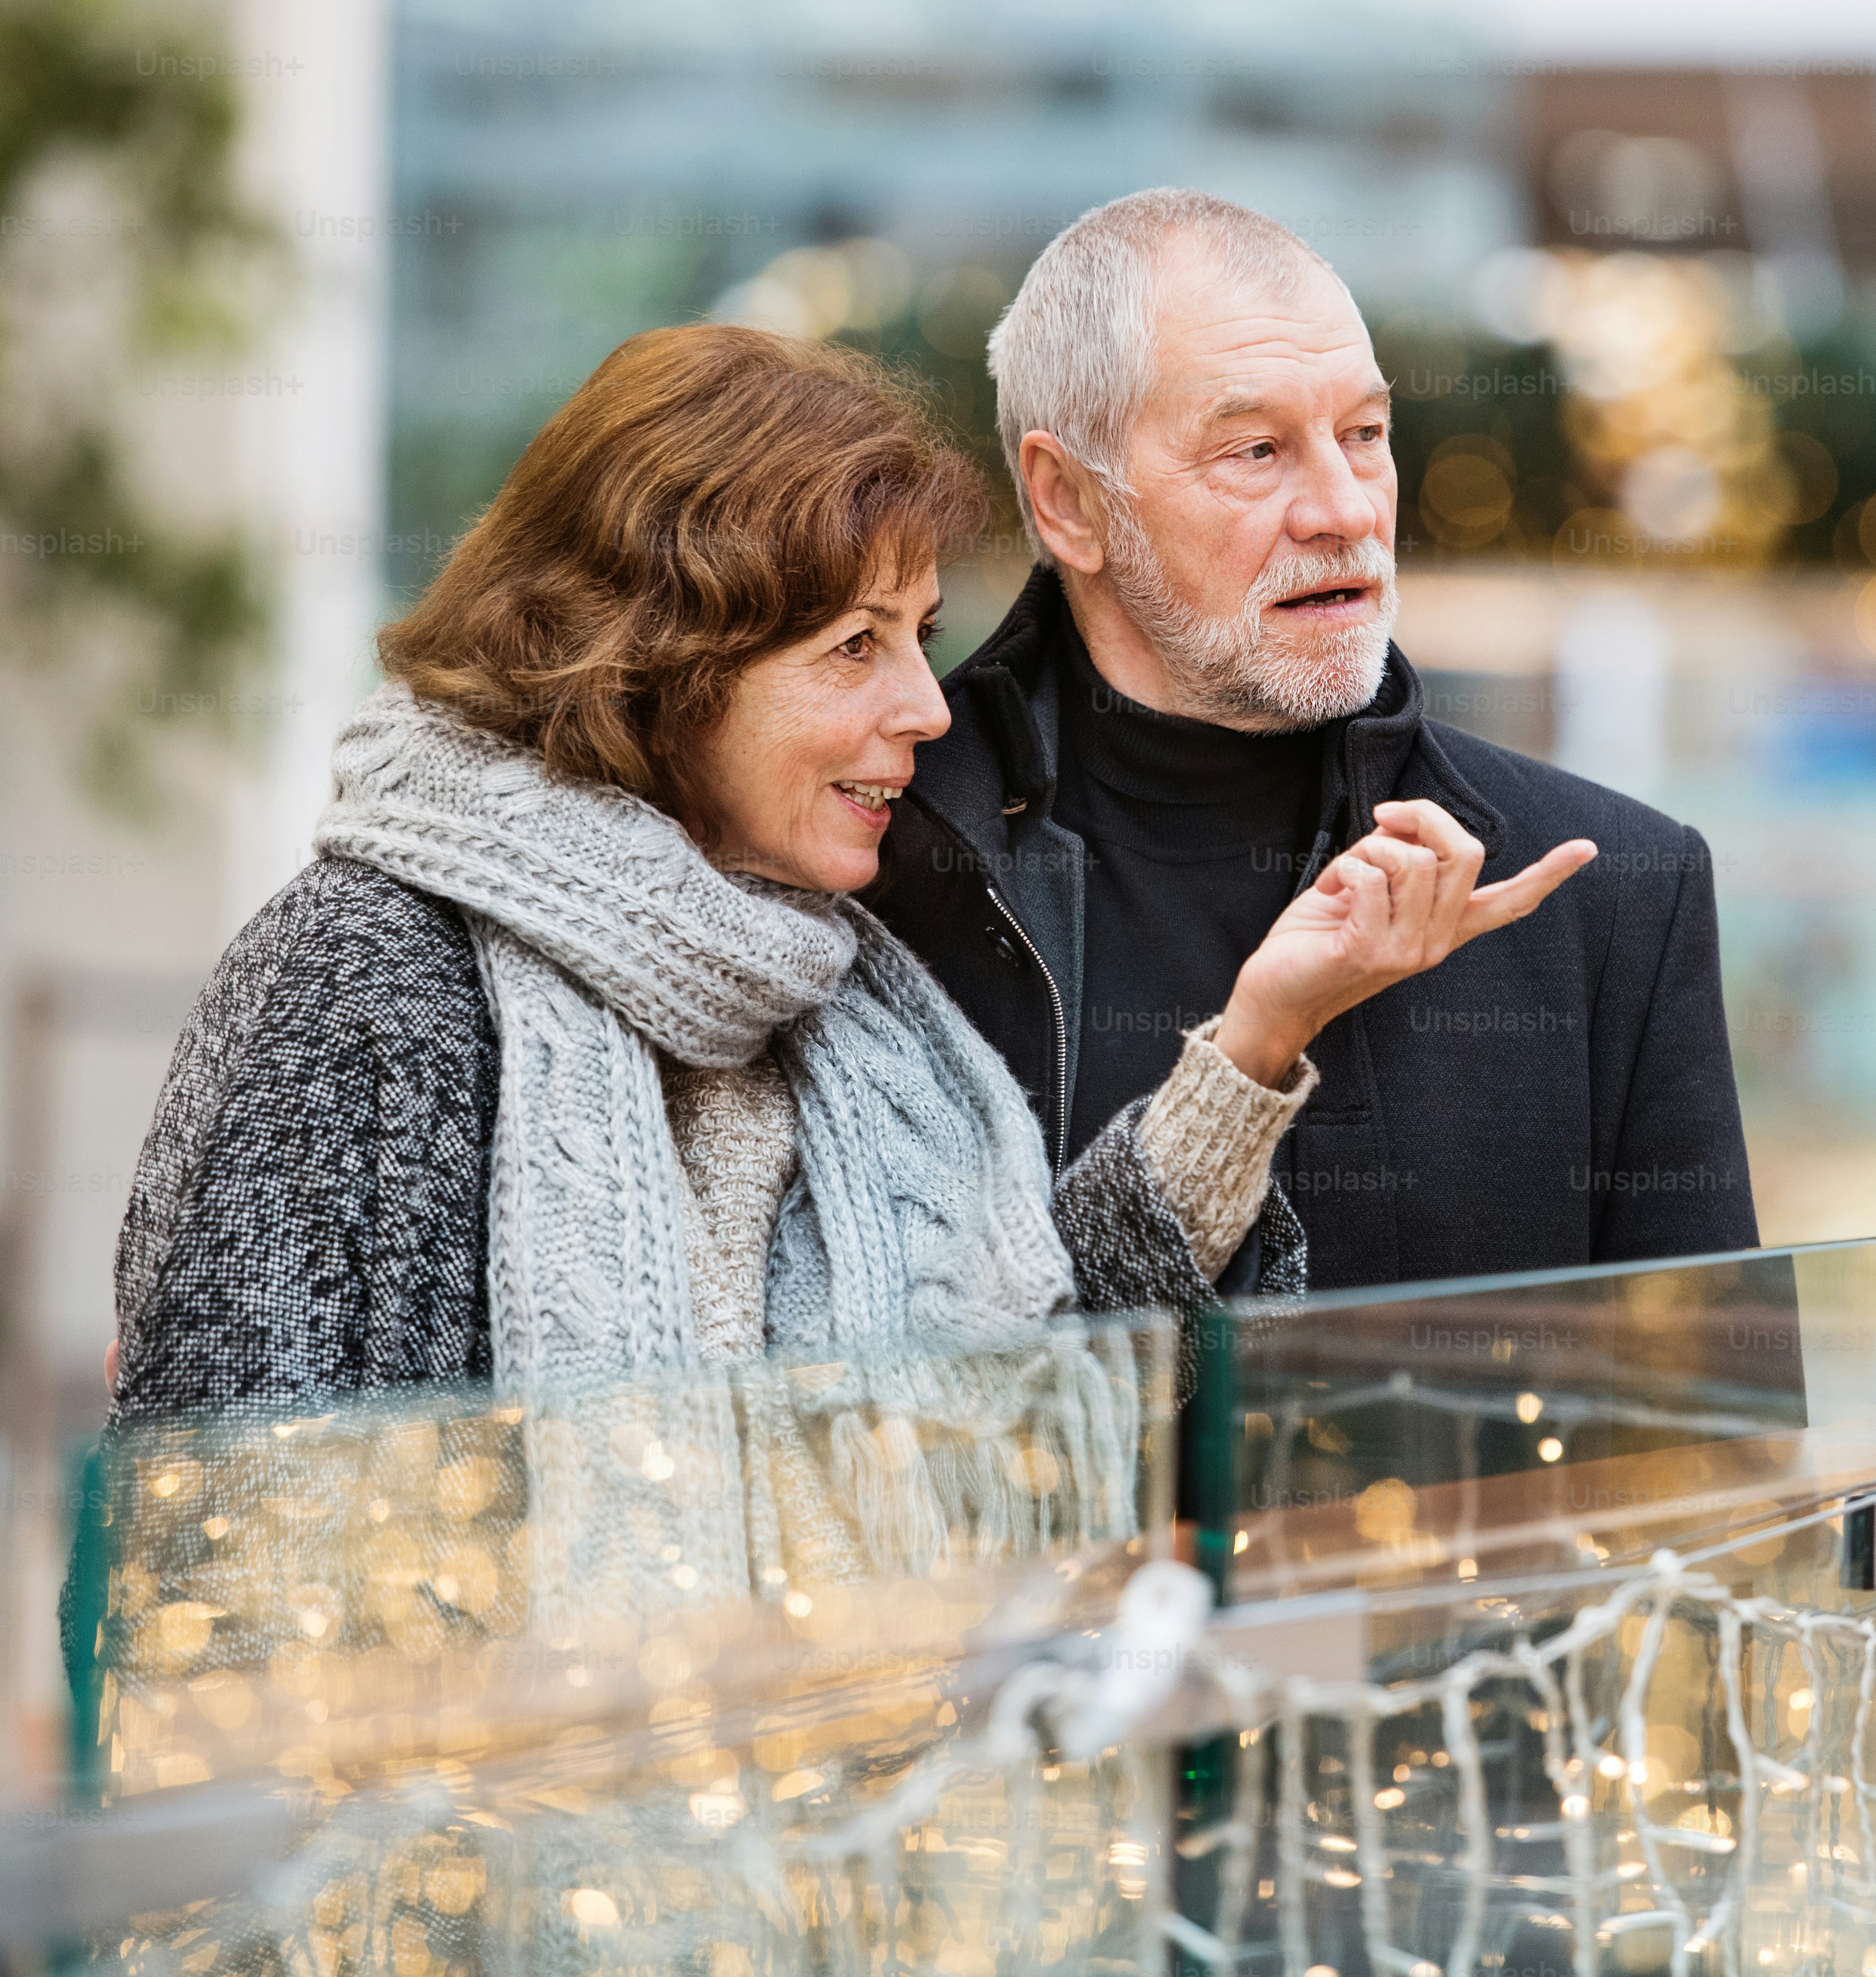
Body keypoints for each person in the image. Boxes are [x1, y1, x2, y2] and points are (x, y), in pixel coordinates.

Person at [108, 323, 1591, 1426]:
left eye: (920, 636)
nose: (928, 711)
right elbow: (231, 1544)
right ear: (659, 666)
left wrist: (1265, 1030)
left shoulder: (813, 967)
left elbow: (1007, 1381)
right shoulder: (367, 976)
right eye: (852, 649)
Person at [868, 190, 1760, 1290]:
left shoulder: (1612, 888)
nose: (1344, 508)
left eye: (1365, 435)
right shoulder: (869, 863)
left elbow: (1709, 1435)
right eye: (1256, 450)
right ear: (1068, 502)